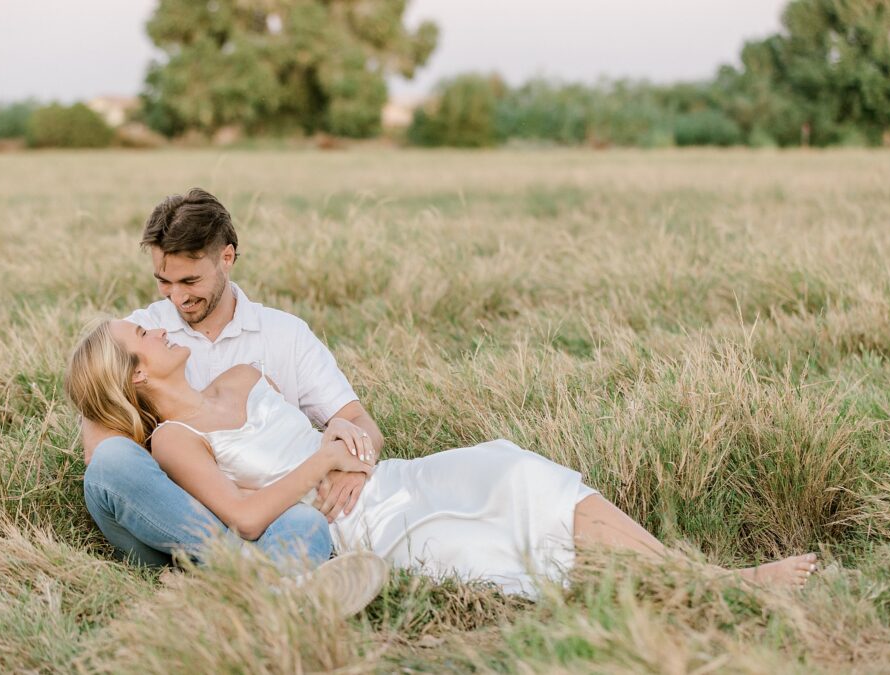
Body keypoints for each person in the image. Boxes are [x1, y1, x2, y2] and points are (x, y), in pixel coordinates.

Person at [67, 318, 819, 597]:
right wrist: (325, 465)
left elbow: (350, 431)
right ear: (136, 377)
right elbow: (246, 512)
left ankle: (715, 580)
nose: (155, 328)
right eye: (142, 339)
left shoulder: (241, 374)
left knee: (515, 470)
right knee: (488, 544)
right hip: (351, 525)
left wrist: (354, 455)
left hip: (384, 482)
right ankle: (717, 590)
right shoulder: (173, 439)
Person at [78, 188, 388, 610]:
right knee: (113, 460)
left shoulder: (283, 334)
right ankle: (246, 573)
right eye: (164, 282)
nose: (177, 298)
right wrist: (220, 493)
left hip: (273, 513)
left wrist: (355, 460)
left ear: (227, 258)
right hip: (180, 523)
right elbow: (103, 449)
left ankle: (235, 591)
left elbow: (355, 419)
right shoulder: (143, 331)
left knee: (303, 521)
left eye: (190, 281)